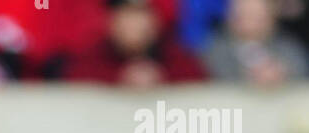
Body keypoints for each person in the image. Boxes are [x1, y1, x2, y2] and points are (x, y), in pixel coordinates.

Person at [64, 0, 207, 85]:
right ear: (111, 20)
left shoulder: (175, 56)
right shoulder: (92, 56)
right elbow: (75, 84)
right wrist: (119, 78)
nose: (134, 24)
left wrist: (161, 78)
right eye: (126, 15)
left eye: (140, 14)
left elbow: (199, 84)